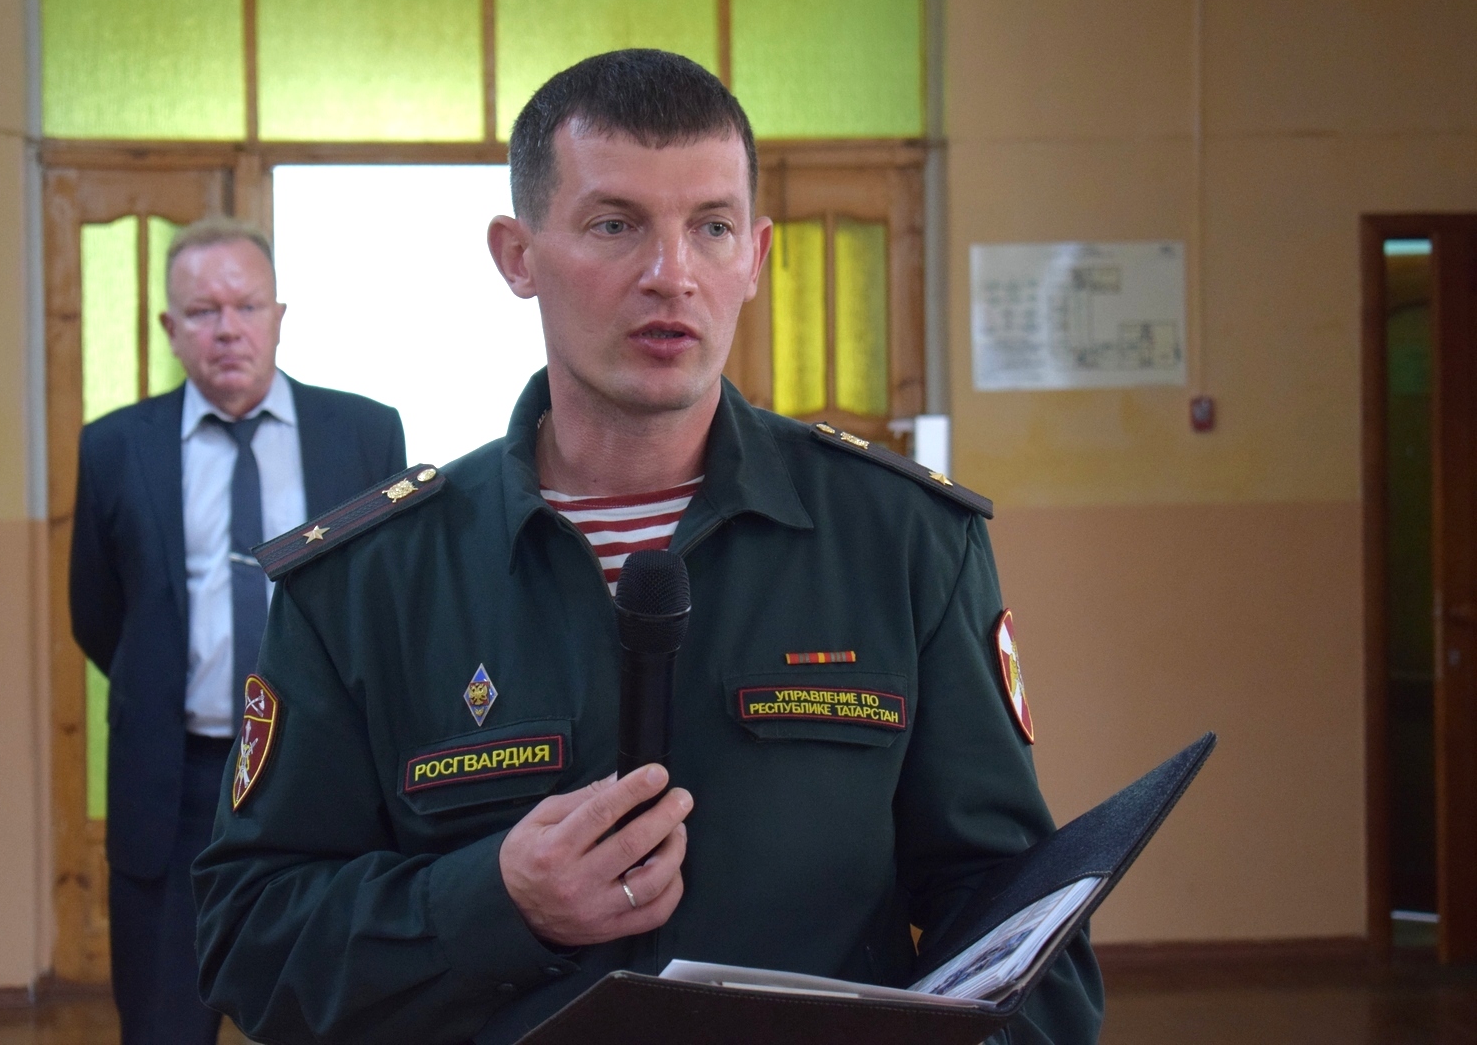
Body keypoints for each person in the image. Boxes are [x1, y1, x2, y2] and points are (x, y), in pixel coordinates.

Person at [193, 51, 1102, 1045]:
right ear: (517, 255)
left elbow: (1016, 918)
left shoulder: (905, 543)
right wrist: (494, 903)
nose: (672, 274)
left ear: (754, 256)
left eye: (711, 227)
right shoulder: (367, 580)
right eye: (615, 225)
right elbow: (250, 936)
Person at [69, 217, 407, 1045]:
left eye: (247, 307)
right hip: (178, 782)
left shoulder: (364, 434)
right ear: (169, 328)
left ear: (279, 316)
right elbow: (97, 615)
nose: (228, 330)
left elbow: (393, 602)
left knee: (334, 1020)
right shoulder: (116, 448)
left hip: (326, 778)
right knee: (164, 1023)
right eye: (203, 312)